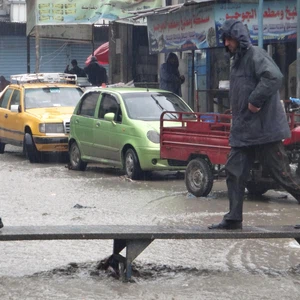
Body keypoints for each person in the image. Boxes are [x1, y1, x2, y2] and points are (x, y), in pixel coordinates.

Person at [208, 19, 300, 230]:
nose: (226, 44)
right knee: (234, 171)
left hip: (265, 131)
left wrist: (254, 101)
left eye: (228, 40)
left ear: (238, 39)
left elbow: (274, 77)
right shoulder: (237, 61)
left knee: (282, 175)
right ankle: (233, 217)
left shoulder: (255, 55)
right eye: (225, 40)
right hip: (244, 130)